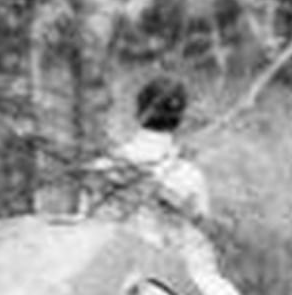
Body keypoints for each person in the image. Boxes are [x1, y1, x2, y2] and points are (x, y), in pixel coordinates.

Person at [87, 75, 212, 243]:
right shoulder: (191, 177)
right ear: (180, 119)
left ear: (138, 112)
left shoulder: (103, 167)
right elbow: (196, 239)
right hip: (161, 265)